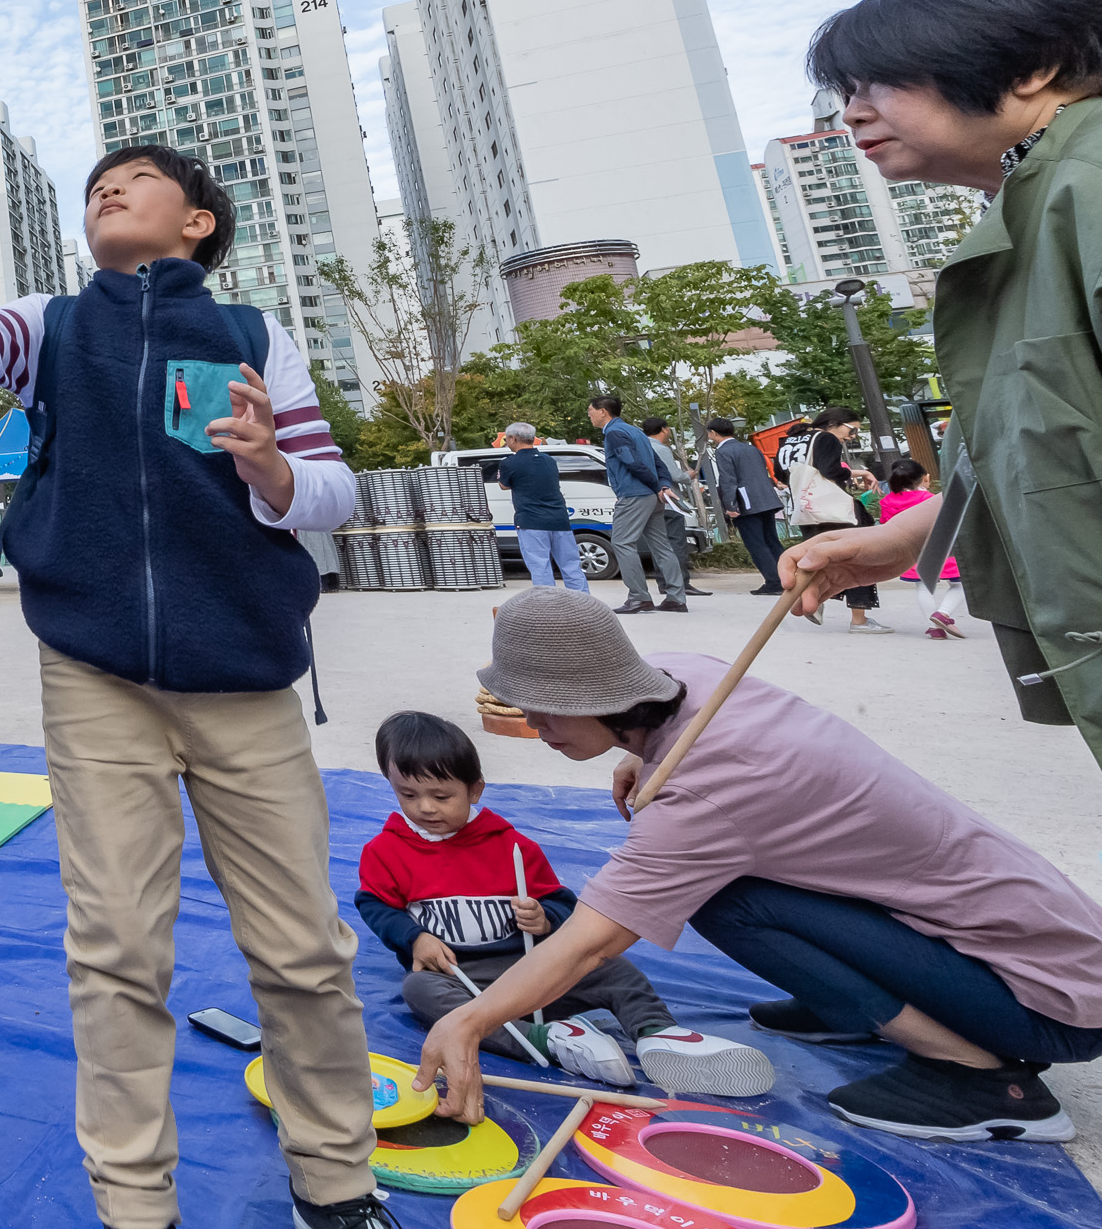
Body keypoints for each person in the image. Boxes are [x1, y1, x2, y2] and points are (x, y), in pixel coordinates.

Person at [0, 134, 386, 1229]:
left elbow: (336, 493)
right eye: (93, 187)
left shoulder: (256, 334)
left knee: (304, 948)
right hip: (96, 674)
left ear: (198, 222)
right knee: (116, 946)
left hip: (247, 674)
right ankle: (134, 1203)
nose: (107, 189)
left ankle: (337, 1184)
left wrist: (268, 464)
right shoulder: (57, 326)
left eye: (135, 179)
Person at [421, 586, 1102, 1143]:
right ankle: (853, 1002)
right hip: (1055, 947)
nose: (537, 730)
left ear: (595, 695)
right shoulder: (690, 677)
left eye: (546, 713)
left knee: (725, 899)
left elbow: (591, 943)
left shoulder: (705, 796)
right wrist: (638, 753)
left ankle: (981, 1079)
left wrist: (471, 1021)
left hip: (1054, 1006)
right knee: (741, 872)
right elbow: (676, 737)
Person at [790, 0, 1102, 763]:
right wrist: (904, 541)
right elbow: (1044, 442)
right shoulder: (1031, 204)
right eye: (845, 94)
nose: (852, 115)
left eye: (877, 83)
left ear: (1033, 67)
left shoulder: (1089, 185)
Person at [358, 709, 769, 1091]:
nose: (424, 808)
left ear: (475, 789)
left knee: (613, 967)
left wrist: (545, 919)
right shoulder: (385, 851)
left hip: (533, 969)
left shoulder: (513, 846)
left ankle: (657, 1033)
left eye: (441, 795)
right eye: (408, 795)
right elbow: (374, 906)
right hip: (458, 976)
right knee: (419, 990)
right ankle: (553, 1039)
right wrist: (414, 938)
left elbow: (562, 904)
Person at [784, 408, 886, 632]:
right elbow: (830, 470)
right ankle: (859, 618)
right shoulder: (827, 438)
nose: (852, 436)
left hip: (806, 509)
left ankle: (813, 598)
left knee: (816, 555)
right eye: (852, 430)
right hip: (833, 509)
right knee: (858, 556)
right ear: (833, 423)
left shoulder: (791, 439)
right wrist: (852, 475)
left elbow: (781, 473)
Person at [589, 396, 682, 616]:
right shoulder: (635, 431)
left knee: (622, 542)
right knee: (661, 545)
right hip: (652, 496)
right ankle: (676, 598)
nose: (589, 415)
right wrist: (662, 486)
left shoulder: (614, 433)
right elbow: (657, 462)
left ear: (603, 411)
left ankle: (639, 598)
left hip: (633, 494)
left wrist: (655, 485)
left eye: (590, 411)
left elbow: (631, 463)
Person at [494, 423, 584, 591]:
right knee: (571, 566)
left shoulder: (509, 463)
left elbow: (503, 485)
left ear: (513, 438)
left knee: (540, 567)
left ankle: (547, 606)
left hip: (531, 521)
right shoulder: (549, 461)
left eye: (507, 439)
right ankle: (585, 604)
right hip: (559, 519)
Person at [703, 419, 784, 594]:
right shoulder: (750, 448)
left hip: (746, 502)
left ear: (713, 433)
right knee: (772, 540)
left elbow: (728, 479)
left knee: (756, 543)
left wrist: (730, 505)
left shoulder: (723, 451)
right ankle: (786, 577)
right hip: (766, 498)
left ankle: (773, 581)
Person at [876, 458, 961, 620]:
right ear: (924, 478)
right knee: (959, 585)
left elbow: (886, 525)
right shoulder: (929, 498)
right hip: (939, 550)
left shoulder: (887, 502)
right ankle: (943, 613)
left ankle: (934, 626)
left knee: (923, 588)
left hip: (913, 552)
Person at [640, 420, 706, 599]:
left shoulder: (640, 447)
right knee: (676, 543)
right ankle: (681, 583)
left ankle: (664, 583)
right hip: (670, 501)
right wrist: (689, 475)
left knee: (658, 544)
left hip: (649, 502)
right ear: (663, 429)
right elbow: (673, 475)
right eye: (668, 429)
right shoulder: (661, 449)